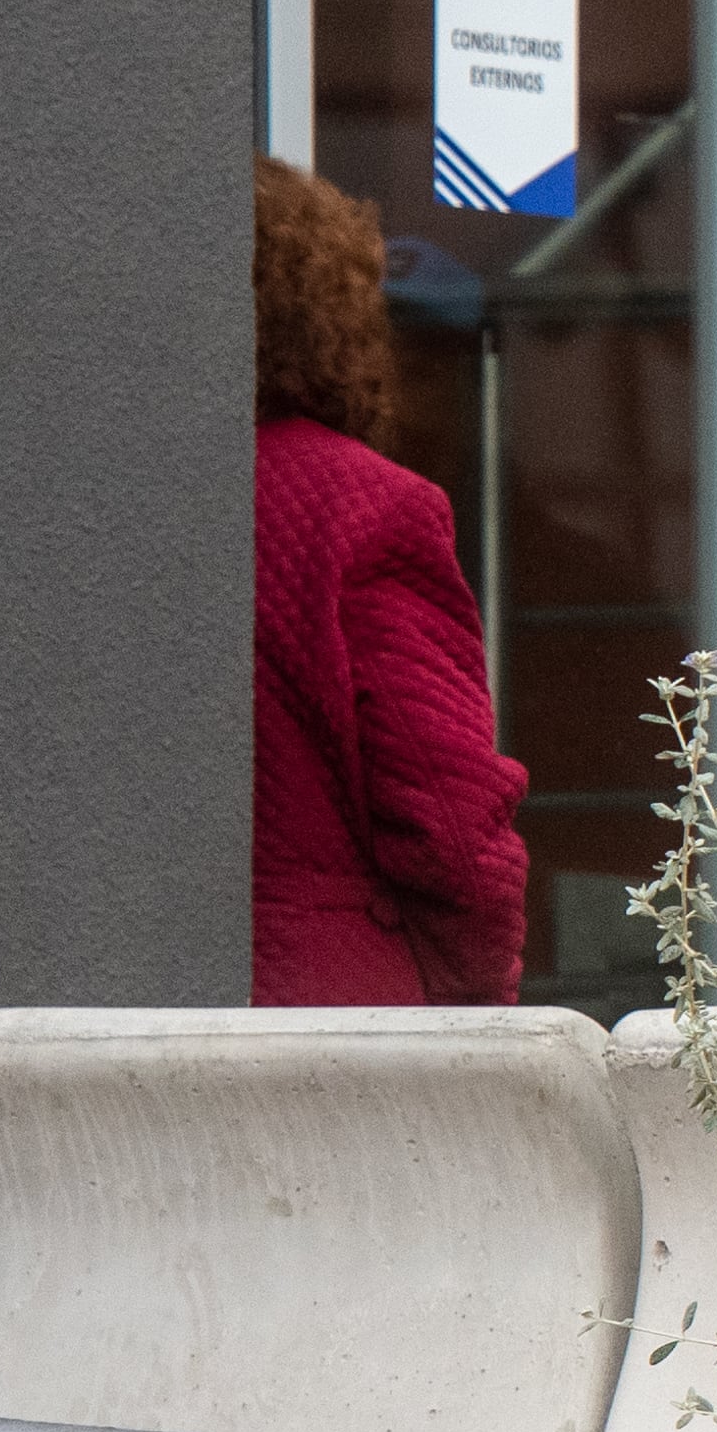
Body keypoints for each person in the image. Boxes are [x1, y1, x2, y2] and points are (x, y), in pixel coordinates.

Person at [252, 157, 529, 1007]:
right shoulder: (372, 510)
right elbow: (449, 824)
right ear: (330, 320)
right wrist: (485, 1009)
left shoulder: (111, 508)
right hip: (333, 1038)